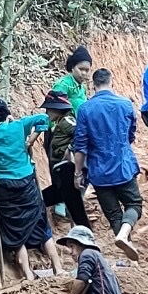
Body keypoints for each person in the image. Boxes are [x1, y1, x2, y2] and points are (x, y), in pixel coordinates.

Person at [0, 96, 61, 283]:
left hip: (5, 188)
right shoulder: (18, 126)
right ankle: (57, 267)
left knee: (14, 230)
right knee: (42, 224)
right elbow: (44, 119)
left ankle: (27, 274)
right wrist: (31, 140)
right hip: (27, 183)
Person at [71, 67, 142, 246]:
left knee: (114, 214)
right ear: (112, 82)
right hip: (123, 166)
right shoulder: (125, 104)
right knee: (134, 205)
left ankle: (125, 242)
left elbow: (80, 146)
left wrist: (78, 173)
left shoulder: (85, 109)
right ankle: (124, 235)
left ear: (92, 85)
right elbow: (131, 134)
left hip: (99, 171)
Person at [42, 91, 90, 231]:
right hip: (62, 176)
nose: (47, 112)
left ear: (58, 109)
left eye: (49, 109)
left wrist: (70, 149)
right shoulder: (57, 124)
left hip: (69, 173)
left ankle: (85, 243)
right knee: (74, 210)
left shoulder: (67, 122)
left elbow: (81, 133)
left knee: (76, 212)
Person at [54, 46, 93, 113]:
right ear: (72, 68)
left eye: (87, 70)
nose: (83, 73)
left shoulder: (82, 88)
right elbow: (55, 109)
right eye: (80, 69)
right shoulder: (63, 85)